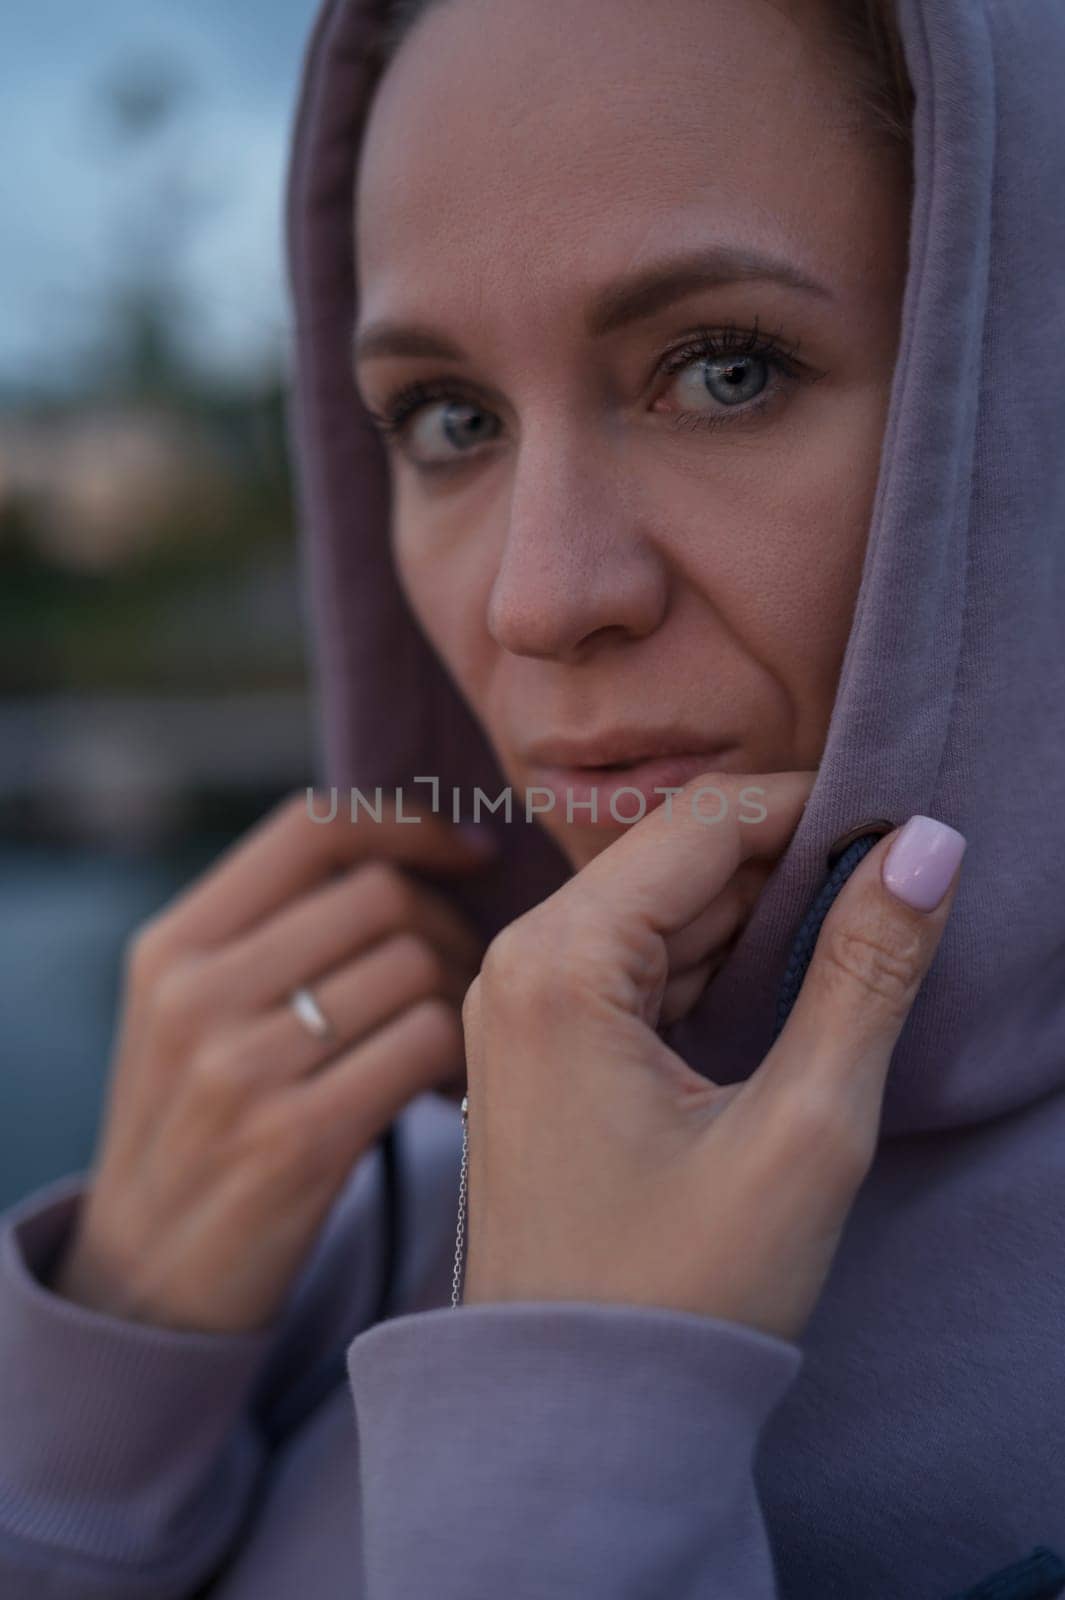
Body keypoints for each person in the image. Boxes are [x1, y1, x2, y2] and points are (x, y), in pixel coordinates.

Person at [1, 0, 1063, 1594]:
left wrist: (571, 1425)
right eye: (448, 420)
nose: (538, 598)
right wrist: (114, 1356)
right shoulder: (354, 1170)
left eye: (722, 369)